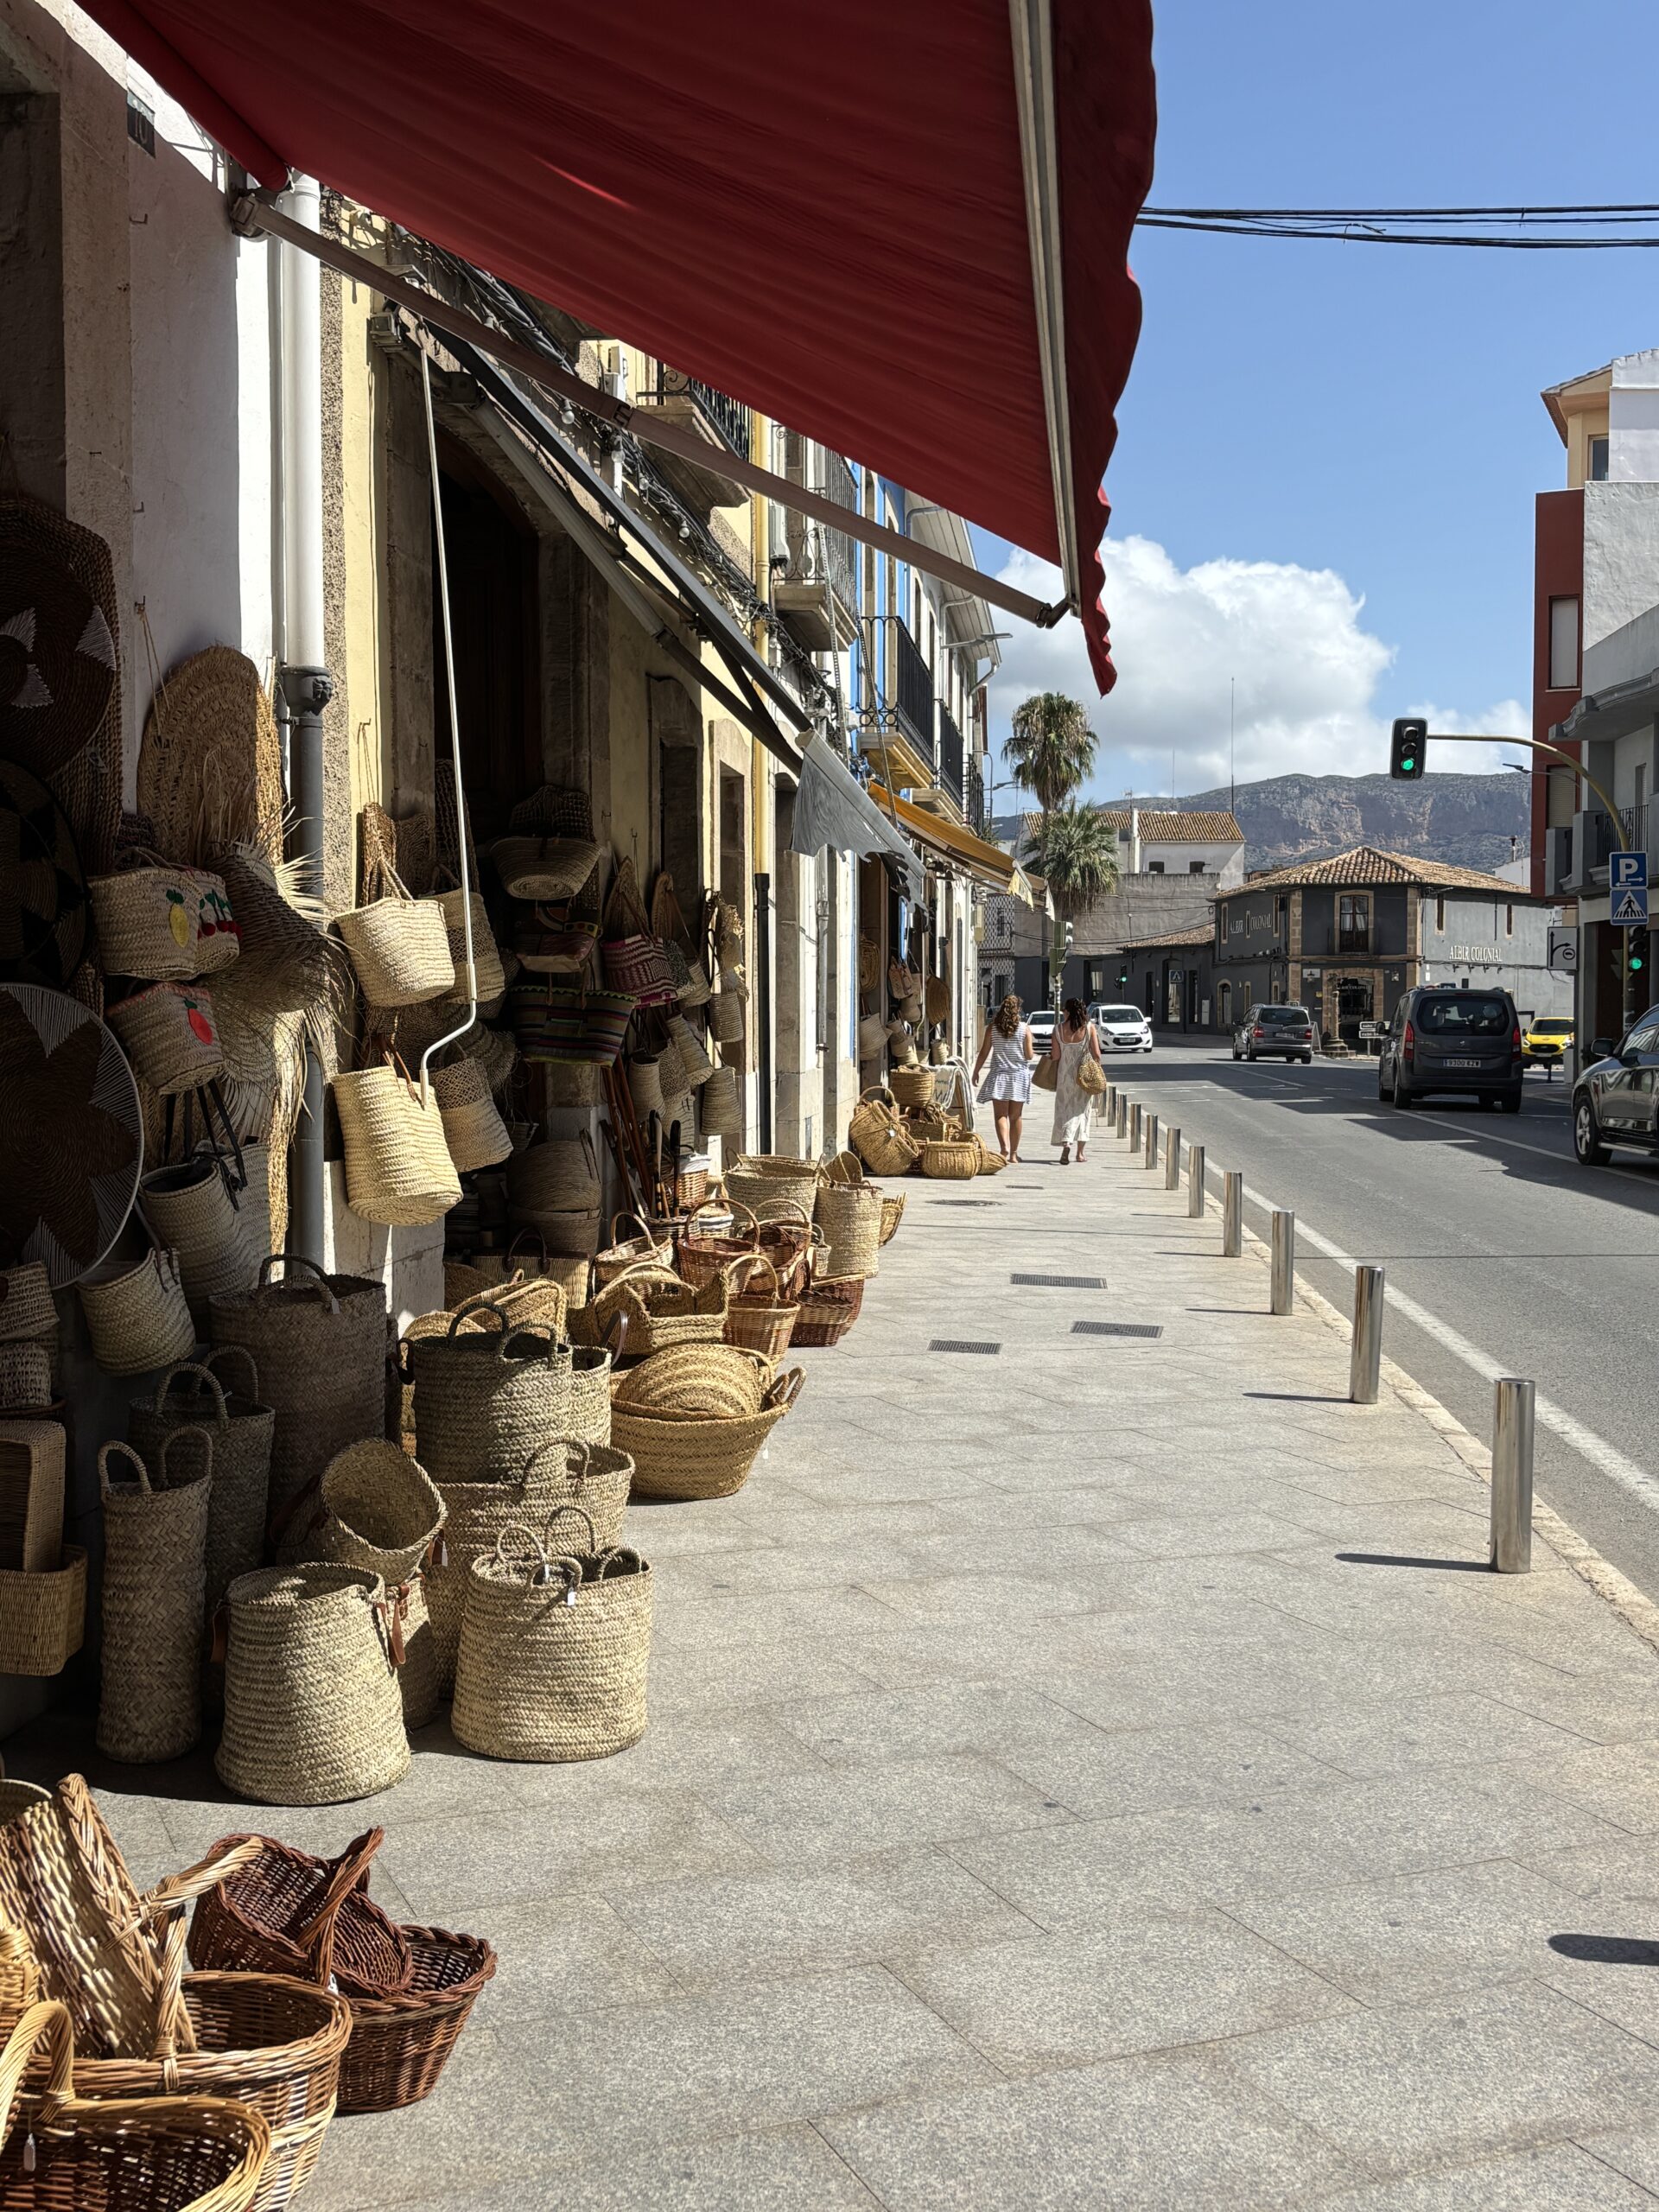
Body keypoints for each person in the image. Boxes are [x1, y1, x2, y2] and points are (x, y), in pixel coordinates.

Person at [973, 992, 1035, 1161]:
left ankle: (1004, 1148)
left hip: (999, 1076)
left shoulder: (992, 1028)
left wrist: (976, 1071)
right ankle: (1014, 1154)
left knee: (1000, 1115)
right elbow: (1029, 1056)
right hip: (1019, 1077)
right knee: (1016, 1116)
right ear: (1017, 1010)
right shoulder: (1024, 1029)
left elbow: (984, 1052)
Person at [1051, 996, 1103, 1164]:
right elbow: (1096, 1054)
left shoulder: (1058, 1029)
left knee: (1064, 1110)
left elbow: (1056, 1056)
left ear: (1067, 1011)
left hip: (1064, 1076)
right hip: (1084, 1076)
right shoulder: (1089, 1028)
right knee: (1082, 1111)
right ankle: (1080, 1154)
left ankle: (1066, 1142)